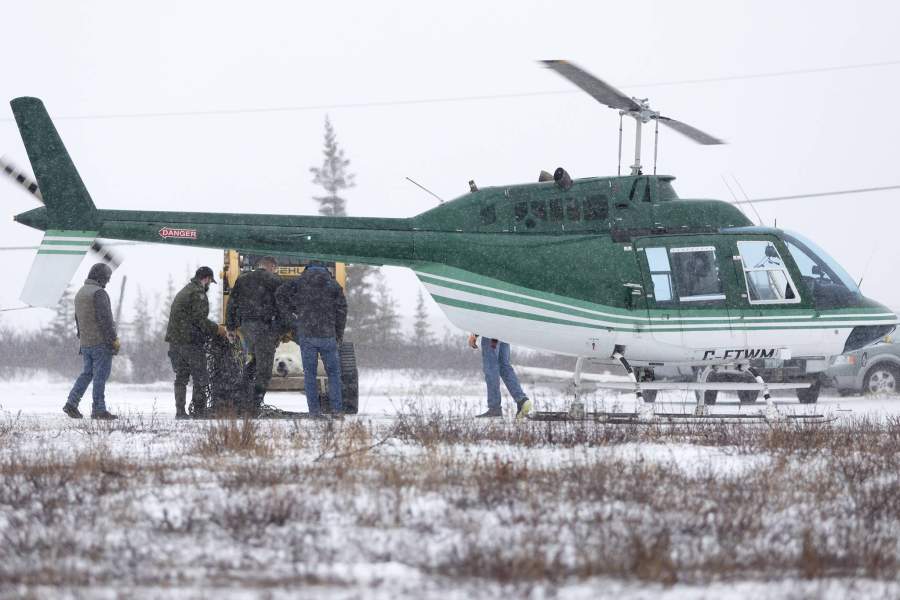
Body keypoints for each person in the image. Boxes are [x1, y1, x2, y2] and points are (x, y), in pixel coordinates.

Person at [276, 261, 347, 417]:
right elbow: (342, 311)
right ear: (326, 269)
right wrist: (339, 333)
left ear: (306, 269)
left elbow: (280, 294)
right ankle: (337, 411)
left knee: (310, 375)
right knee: (334, 374)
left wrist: (292, 318)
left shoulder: (298, 282)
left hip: (307, 335)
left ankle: (314, 412)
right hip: (328, 335)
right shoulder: (334, 285)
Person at [165, 266, 227, 418]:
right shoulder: (198, 293)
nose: (209, 286)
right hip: (190, 342)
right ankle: (199, 410)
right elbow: (199, 320)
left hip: (175, 342)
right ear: (206, 279)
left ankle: (180, 411)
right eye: (210, 282)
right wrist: (218, 329)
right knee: (200, 377)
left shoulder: (185, 290)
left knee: (181, 377)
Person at [225, 256, 284, 413]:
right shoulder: (275, 280)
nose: (275, 271)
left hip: (247, 327)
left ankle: (241, 397)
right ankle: (254, 405)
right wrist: (280, 330)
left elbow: (232, 304)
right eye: (275, 268)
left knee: (255, 361)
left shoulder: (242, 279)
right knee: (264, 369)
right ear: (271, 266)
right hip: (265, 328)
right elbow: (282, 307)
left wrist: (230, 327)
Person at [63, 263, 120, 420]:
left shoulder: (80, 293)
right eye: (107, 279)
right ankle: (99, 410)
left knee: (87, 374)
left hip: (86, 343)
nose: (107, 282)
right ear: (101, 277)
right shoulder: (99, 293)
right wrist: (113, 340)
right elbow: (106, 320)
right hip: (100, 343)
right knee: (100, 376)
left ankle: (71, 403)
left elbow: (77, 319)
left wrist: (82, 339)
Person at [468, 333, 531, 418]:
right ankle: (522, 400)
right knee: (504, 367)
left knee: (491, 368)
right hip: (504, 333)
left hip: (491, 334)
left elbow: (486, 319)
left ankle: (494, 408)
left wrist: (474, 334)